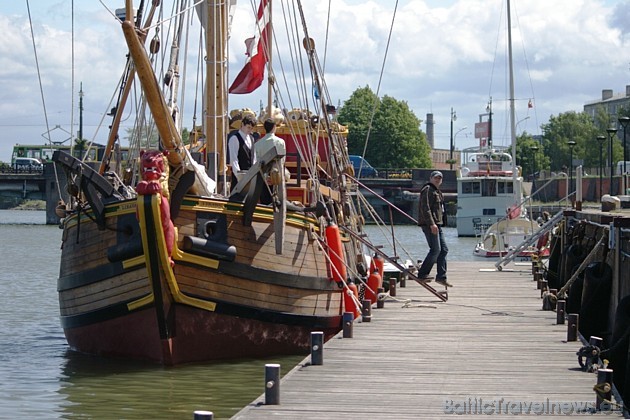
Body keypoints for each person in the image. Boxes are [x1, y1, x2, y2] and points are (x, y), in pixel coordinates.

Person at [417, 170, 451, 287]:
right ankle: (422, 274)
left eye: (440, 178)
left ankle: (441, 277)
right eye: (436, 177)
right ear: (431, 178)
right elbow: (425, 207)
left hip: (438, 224)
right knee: (435, 250)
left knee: (444, 250)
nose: (438, 180)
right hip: (430, 225)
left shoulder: (437, 191)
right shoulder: (427, 189)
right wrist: (431, 224)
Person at [254, 118, 286, 205]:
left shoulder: (257, 144)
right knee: (278, 202)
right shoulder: (280, 142)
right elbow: (282, 161)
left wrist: (266, 176)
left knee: (265, 202)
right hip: (277, 177)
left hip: (263, 178)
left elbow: (256, 162)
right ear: (274, 127)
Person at [228, 114, 257, 191]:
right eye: (248, 127)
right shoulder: (235, 139)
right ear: (242, 125)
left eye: (251, 128)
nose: (250, 130)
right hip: (239, 179)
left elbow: (254, 158)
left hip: (250, 177)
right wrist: (239, 176)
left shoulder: (252, 139)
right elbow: (234, 159)